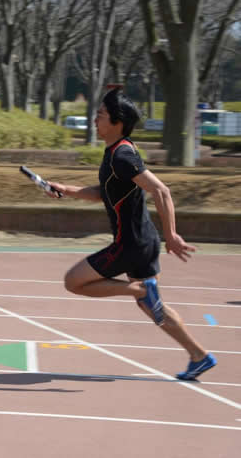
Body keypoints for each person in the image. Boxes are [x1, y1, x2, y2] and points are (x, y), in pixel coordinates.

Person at [45, 88, 216, 381]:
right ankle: (199, 355)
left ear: (117, 121)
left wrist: (172, 235)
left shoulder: (122, 155)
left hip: (132, 244)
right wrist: (68, 189)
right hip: (143, 242)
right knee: (153, 307)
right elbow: (106, 193)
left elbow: (161, 190)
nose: (95, 119)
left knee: (73, 281)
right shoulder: (118, 151)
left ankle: (138, 289)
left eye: (99, 115)